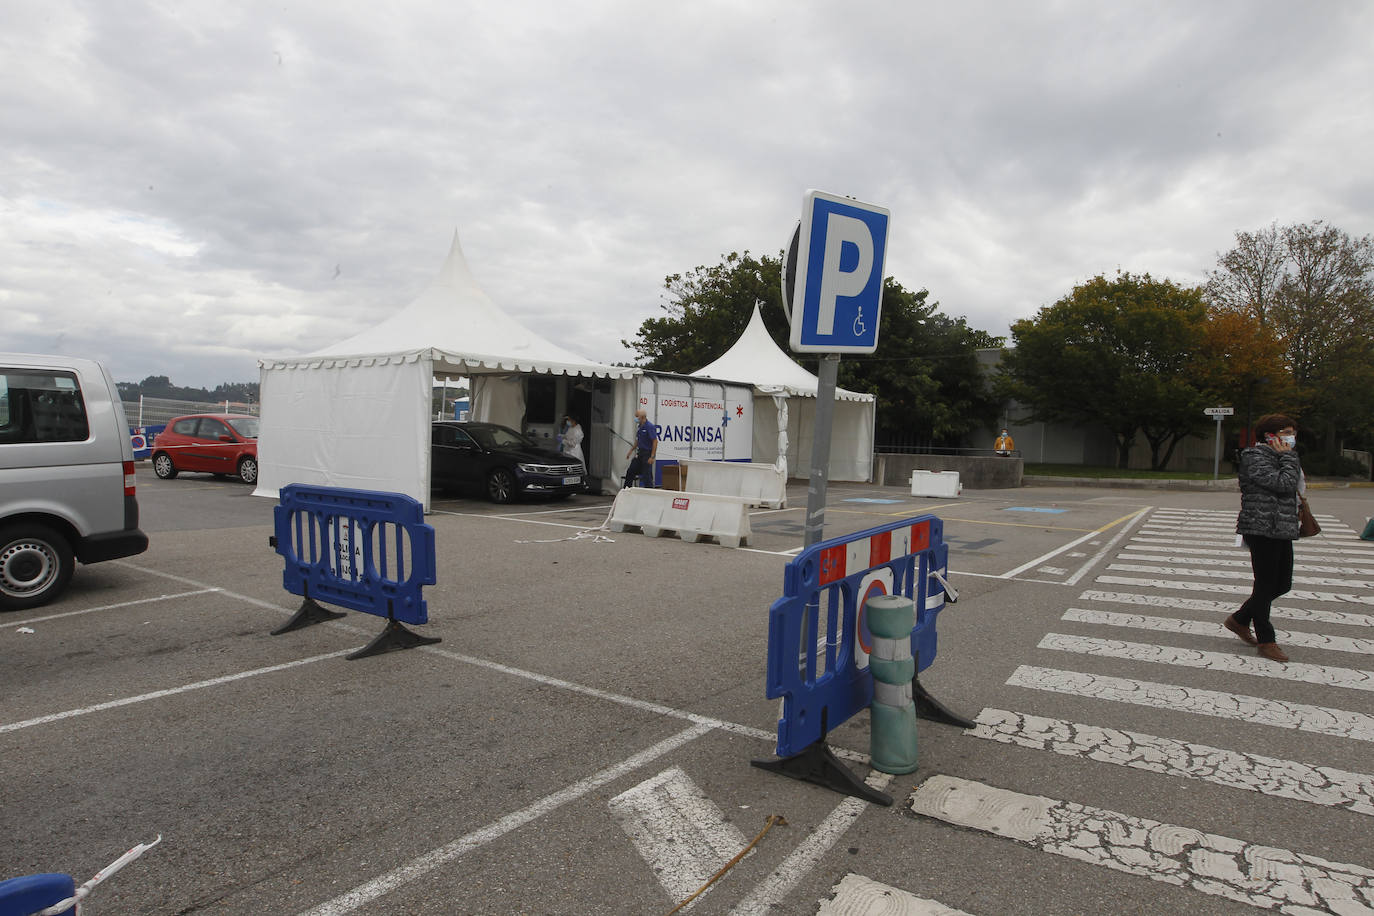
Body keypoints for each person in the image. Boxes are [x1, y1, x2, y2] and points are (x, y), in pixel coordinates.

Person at [1227, 413, 1302, 662]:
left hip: (1282, 528)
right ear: (1269, 436)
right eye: (1285, 433)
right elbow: (1283, 484)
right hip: (1261, 527)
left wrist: (1286, 458)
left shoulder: (1281, 457)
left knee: (1283, 584)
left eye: (1292, 433)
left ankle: (1239, 619)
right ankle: (1266, 640)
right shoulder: (1254, 457)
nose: (1291, 438)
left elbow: (1296, 486)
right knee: (1265, 584)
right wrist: (1288, 458)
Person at [624, 408, 658, 488]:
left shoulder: (649, 427)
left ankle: (649, 492)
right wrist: (631, 450)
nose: (635, 418)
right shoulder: (639, 427)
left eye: (637, 416)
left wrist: (652, 456)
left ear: (642, 417)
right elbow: (637, 441)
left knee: (646, 474)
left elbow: (655, 441)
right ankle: (626, 489)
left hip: (647, 453)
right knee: (631, 470)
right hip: (640, 453)